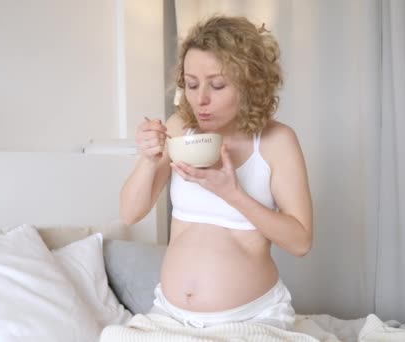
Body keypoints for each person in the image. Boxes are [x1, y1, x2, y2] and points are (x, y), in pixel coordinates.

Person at [119, 15, 313, 330]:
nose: (201, 99)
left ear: (251, 83)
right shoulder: (179, 128)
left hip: (250, 319)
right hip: (169, 316)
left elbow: (301, 241)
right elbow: (129, 213)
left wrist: (232, 193)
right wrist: (148, 159)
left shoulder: (277, 141)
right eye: (192, 84)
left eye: (218, 84)